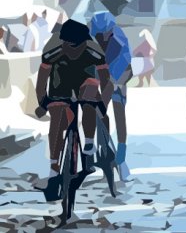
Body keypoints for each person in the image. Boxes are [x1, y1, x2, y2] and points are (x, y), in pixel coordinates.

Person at [33, 19, 111, 196]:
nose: (74, 51)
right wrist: (43, 103)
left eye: (79, 46)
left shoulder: (94, 50)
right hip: (60, 80)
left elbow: (107, 82)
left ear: (85, 43)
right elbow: (41, 82)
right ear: (63, 42)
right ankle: (54, 170)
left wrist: (102, 106)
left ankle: (89, 142)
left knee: (90, 91)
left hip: (85, 78)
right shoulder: (51, 51)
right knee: (57, 120)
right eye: (70, 46)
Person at [89, 11, 133, 180]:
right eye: (98, 36)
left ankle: (121, 160)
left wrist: (116, 83)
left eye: (104, 36)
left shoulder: (120, 41)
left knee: (118, 110)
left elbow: (128, 69)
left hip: (118, 72)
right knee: (93, 107)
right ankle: (91, 146)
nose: (101, 40)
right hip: (96, 70)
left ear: (110, 32)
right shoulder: (91, 38)